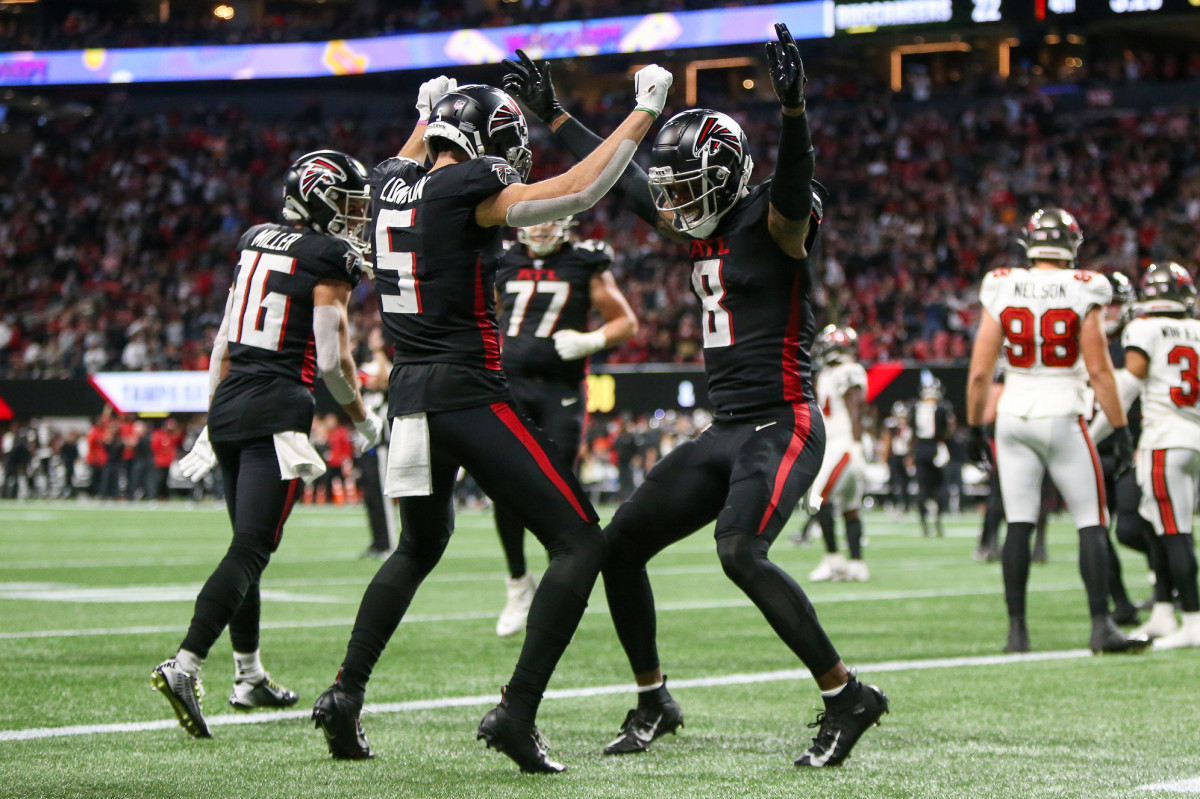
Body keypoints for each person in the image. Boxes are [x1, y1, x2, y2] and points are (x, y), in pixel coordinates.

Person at [503, 24, 888, 769]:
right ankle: (654, 696)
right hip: (726, 428)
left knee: (740, 550)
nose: (673, 202)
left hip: (784, 423)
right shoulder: (703, 216)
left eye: (687, 186)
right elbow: (622, 177)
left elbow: (788, 187)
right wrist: (555, 116)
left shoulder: (775, 222)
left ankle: (846, 695)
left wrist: (796, 112)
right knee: (617, 549)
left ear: (726, 176)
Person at [311, 68, 672, 774]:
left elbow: (415, 150)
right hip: (466, 390)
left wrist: (427, 108)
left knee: (417, 546)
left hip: (408, 397)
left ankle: (344, 692)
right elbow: (575, 190)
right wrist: (642, 115)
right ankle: (518, 709)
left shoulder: (389, 180)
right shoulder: (465, 186)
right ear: (478, 142)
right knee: (578, 540)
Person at [151, 149, 384, 738]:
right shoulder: (329, 257)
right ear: (319, 197)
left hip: (230, 404)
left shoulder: (256, 239)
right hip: (277, 406)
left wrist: (214, 412)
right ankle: (185, 664)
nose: (355, 217)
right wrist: (361, 418)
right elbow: (332, 361)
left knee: (244, 546)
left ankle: (249, 677)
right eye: (349, 203)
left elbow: (223, 340)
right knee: (252, 550)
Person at [965, 207, 1145, 655]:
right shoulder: (1085, 286)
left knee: (1020, 522)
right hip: (1063, 409)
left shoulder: (1002, 283)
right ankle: (1102, 624)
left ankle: (1017, 632)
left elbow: (980, 373)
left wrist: (973, 427)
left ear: (1029, 242)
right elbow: (1101, 371)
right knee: (1091, 520)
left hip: (1014, 413)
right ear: (1072, 245)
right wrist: (1120, 431)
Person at [490, 216, 638, 636]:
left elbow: (625, 321)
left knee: (557, 484)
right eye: (532, 221)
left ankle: (561, 579)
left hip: (562, 390)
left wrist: (591, 340)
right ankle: (518, 583)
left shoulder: (583, 261)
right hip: (512, 384)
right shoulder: (503, 261)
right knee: (505, 484)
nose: (538, 229)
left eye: (548, 220)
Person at [1091, 262, 1200, 648]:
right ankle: (1164, 613)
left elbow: (1127, 386)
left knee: (1174, 532)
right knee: (1165, 527)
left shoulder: (1144, 329)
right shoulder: (1197, 330)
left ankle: (1192, 620)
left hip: (1163, 438)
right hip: (1192, 437)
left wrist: (1092, 433)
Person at [806, 325, 870, 583]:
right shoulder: (830, 373)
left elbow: (855, 404)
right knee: (849, 508)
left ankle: (834, 560)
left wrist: (854, 444)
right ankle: (856, 564)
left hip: (843, 444)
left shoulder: (847, 370)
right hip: (840, 443)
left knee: (815, 498)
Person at [355, 327, 396, 558]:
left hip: (381, 440)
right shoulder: (365, 365)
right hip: (364, 440)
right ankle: (377, 541)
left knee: (382, 495)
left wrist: (379, 351)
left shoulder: (387, 364)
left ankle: (389, 543)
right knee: (370, 495)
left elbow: (385, 380)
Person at [910, 377, 953, 538]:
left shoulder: (915, 407)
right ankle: (938, 522)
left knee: (923, 488)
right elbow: (945, 431)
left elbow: (912, 430)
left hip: (921, 448)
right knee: (939, 487)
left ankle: (924, 525)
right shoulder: (941, 408)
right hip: (936, 447)